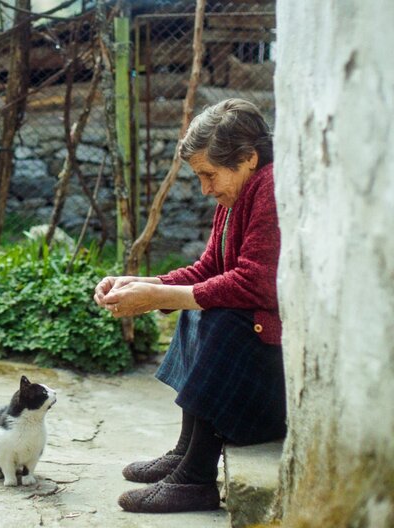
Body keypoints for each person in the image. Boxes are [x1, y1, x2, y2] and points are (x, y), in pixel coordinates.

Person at [93, 98, 286, 514]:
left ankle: (196, 478)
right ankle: (186, 452)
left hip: (271, 385)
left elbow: (256, 285)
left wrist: (160, 297)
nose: (205, 188)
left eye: (209, 175)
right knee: (199, 305)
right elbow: (208, 270)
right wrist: (143, 284)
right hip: (255, 369)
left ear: (249, 159)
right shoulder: (236, 197)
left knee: (222, 315)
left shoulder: (270, 190)